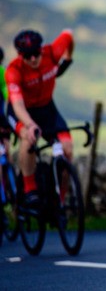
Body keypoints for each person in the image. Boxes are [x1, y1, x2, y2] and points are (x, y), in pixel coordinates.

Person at [5, 30, 74, 207]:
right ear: (21, 56)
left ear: (41, 49)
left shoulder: (51, 52)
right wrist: (30, 125)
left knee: (67, 149)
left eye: (36, 53)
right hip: (22, 111)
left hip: (47, 108)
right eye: (28, 56)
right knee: (28, 139)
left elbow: (68, 35)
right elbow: (17, 105)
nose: (33, 59)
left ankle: (60, 202)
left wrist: (67, 60)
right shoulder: (14, 71)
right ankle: (29, 189)